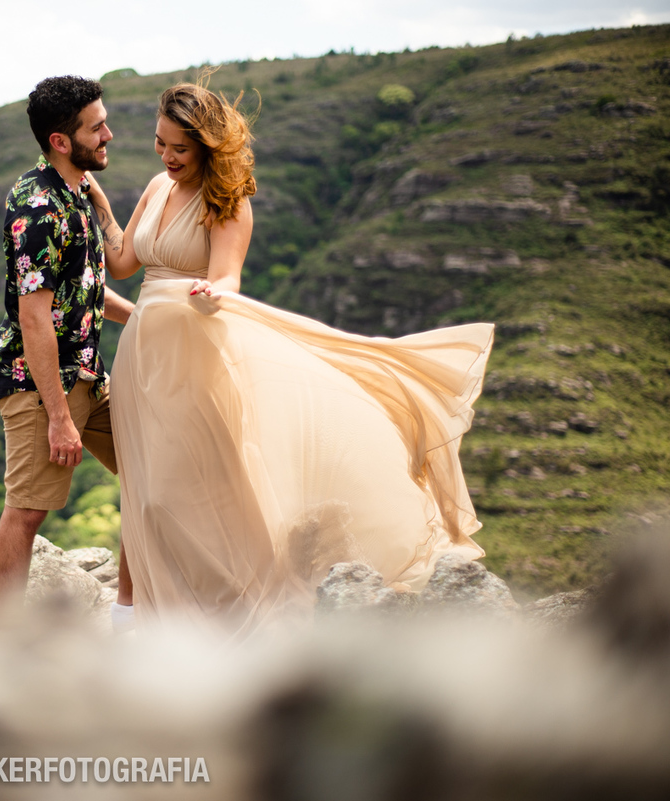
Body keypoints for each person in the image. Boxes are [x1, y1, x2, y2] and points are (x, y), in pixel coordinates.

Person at [88, 80, 494, 635]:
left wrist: (216, 296)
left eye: (179, 148)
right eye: (160, 144)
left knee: (186, 492)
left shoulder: (228, 202)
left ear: (207, 146)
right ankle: (137, 618)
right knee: (142, 487)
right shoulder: (158, 186)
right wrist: (105, 208)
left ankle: (234, 614)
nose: (167, 156)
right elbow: (125, 263)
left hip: (196, 358)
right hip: (141, 361)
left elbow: (227, 277)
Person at [0, 76, 136, 628]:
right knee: (26, 513)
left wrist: (145, 318)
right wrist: (57, 419)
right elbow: (34, 316)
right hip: (37, 383)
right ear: (60, 140)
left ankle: (130, 615)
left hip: (91, 376)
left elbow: (88, 289)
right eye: (96, 127)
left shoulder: (77, 192)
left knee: (152, 472)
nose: (109, 134)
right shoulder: (38, 205)